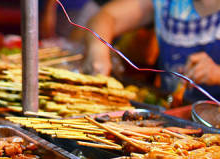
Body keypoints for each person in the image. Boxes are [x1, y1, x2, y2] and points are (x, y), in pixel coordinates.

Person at [83, 0, 220, 102]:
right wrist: (98, 52)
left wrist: (216, 74)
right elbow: (106, 16)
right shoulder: (167, 3)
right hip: (174, 113)